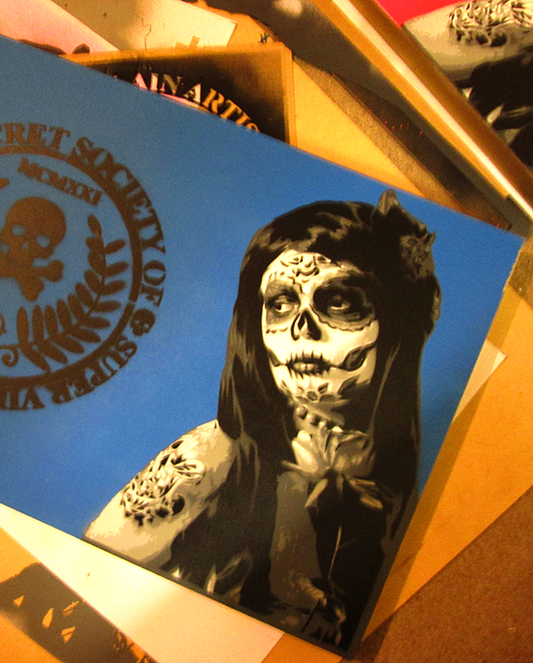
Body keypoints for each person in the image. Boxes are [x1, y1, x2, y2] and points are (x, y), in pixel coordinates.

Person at [84, 189, 441, 650]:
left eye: (338, 302)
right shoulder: (207, 459)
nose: (302, 329)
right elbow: (81, 577)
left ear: (392, 325)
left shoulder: (402, 487)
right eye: (281, 304)